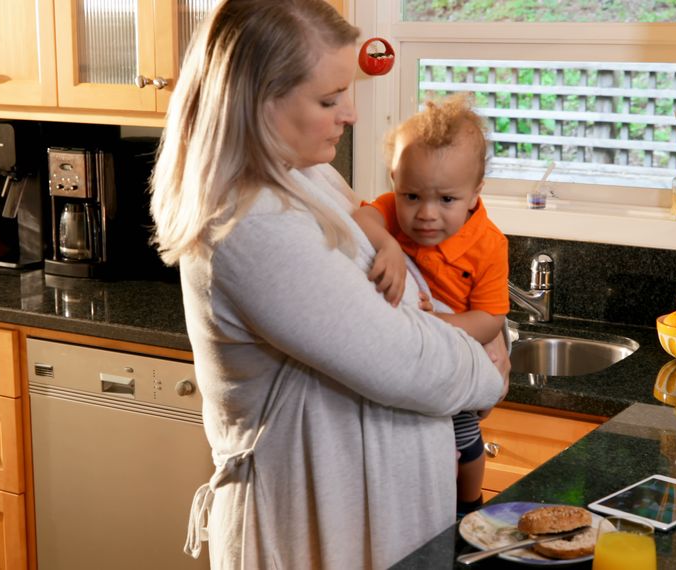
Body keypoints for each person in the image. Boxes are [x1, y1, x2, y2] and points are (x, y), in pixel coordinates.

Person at [147, 1, 509, 568]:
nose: (352, 114)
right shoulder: (252, 224)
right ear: (258, 100)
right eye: (329, 98)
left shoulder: (308, 176)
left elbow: (400, 307)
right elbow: (403, 361)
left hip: (368, 525)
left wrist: (467, 340)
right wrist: (482, 367)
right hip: (313, 533)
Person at [351, 95, 509, 515]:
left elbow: (491, 318)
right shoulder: (389, 211)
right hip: (411, 358)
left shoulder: (488, 244)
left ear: (475, 194)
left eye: (447, 200)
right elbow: (361, 220)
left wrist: (441, 322)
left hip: (458, 347)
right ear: (394, 181)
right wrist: (386, 243)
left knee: (465, 437)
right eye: (412, 196)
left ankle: (469, 504)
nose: (426, 215)